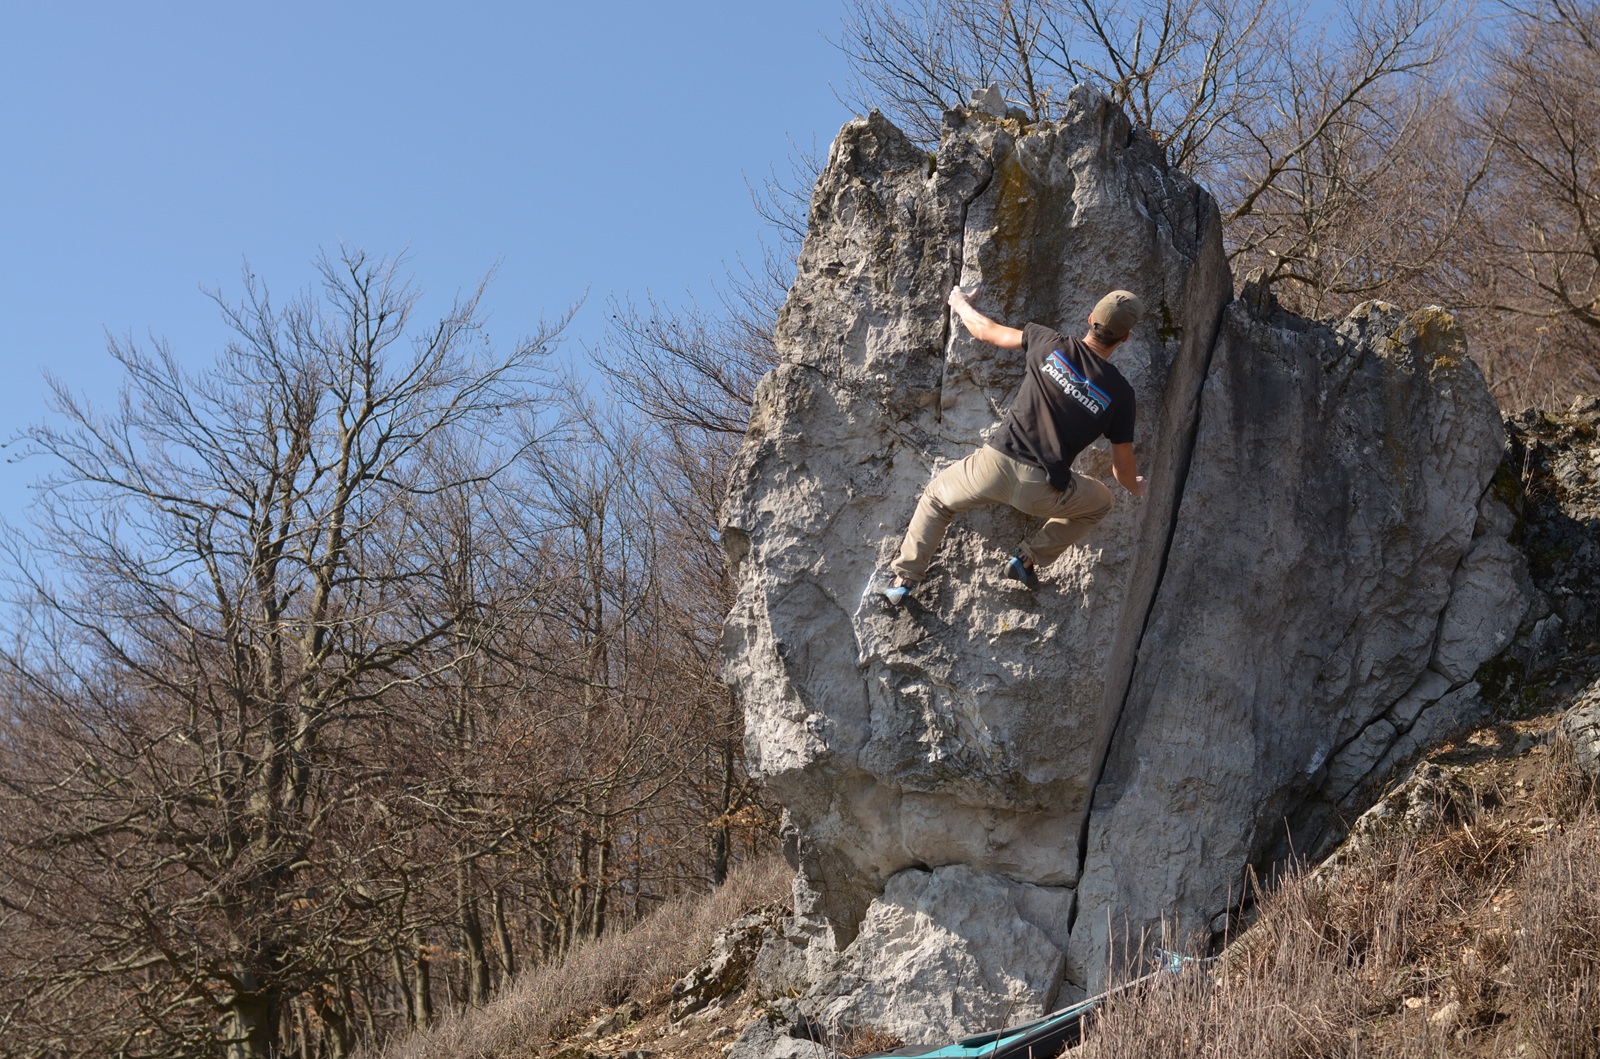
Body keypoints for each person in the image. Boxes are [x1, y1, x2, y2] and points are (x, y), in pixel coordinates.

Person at [884, 285, 1148, 603]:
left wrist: (959, 304)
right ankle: (1026, 559)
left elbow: (986, 331)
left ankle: (903, 580)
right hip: (1042, 488)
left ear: (1090, 318)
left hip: (992, 465)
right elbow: (1121, 467)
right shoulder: (1120, 394)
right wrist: (1134, 485)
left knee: (937, 499)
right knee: (1101, 501)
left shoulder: (1049, 342)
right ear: (1124, 338)